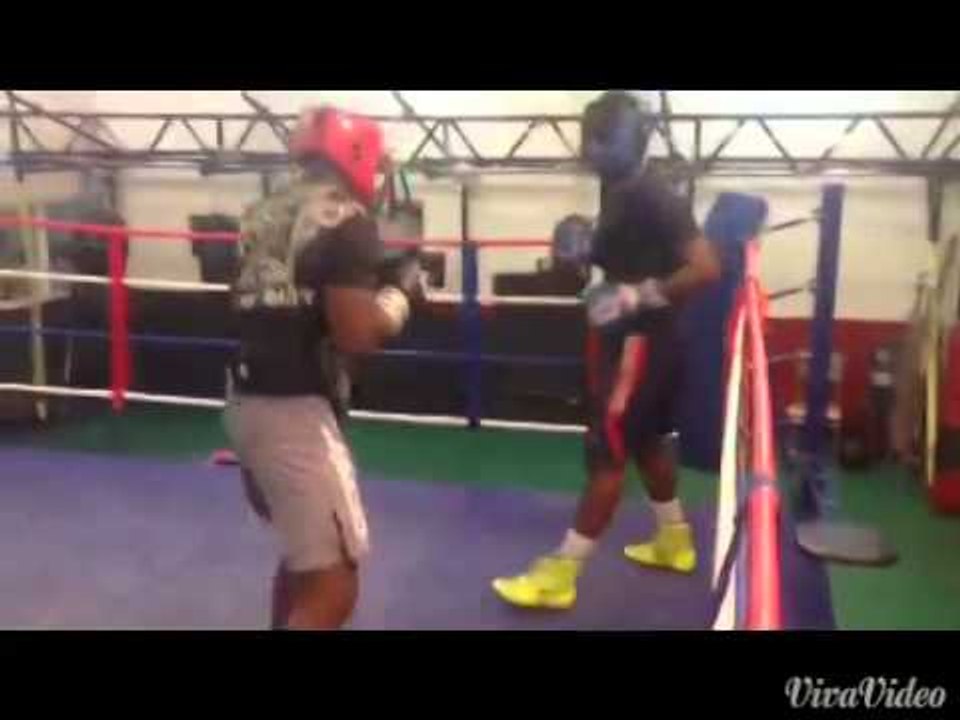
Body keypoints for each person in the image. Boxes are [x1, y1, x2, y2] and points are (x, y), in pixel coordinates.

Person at [492, 91, 721, 610]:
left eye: (602, 135)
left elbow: (706, 267)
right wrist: (589, 251)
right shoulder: (618, 190)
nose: (591, 145)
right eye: (589, 134)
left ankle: (560, 574)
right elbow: (630, 260)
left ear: (632, 137)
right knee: (645, 441)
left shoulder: (650, 193)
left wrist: (635, 294)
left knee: (608, 451)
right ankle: (674, 539)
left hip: (641, 341)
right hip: (644, 337)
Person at [224, 106, 425, 630]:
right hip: (294, 416)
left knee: (303, 559)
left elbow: (286, 297)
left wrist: (369, 276)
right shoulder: (347, 219)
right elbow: (356, 335)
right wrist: (399, 297)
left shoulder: (263, 212)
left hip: (247, 403)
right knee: (335, 582)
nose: (379, 177)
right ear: (356, 155)